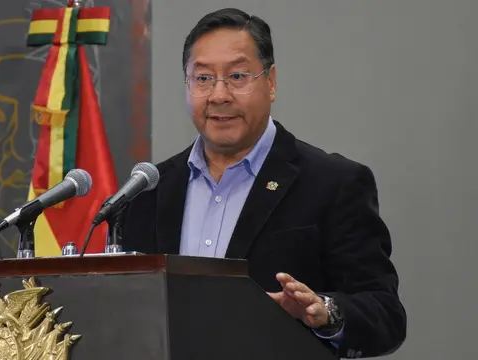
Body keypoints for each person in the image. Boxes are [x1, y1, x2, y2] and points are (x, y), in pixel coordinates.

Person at [119, 7, 407, 359]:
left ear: (270, 82)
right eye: (203, 78)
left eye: (237, 76)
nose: (219, 95)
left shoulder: (334, 183)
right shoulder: (151, 189)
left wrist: (323, 312)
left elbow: (385, 313)